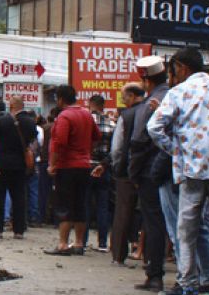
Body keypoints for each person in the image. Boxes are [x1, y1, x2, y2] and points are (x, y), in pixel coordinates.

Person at [147, 46, 209, 295]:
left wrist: (176, 150)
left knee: (186, 232)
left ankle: (189, 289)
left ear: (183, 69)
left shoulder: (179, 92)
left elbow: (154, 127)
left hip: (191, 171)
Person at [130, 56, 173, 292]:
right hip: (177, 168)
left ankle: (154, 274)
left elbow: (138, 142)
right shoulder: (176, 96)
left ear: (145, 80)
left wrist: (133, 173)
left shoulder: (150, 104)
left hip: (151, 171)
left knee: (154, 222)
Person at [46, 84, 100, 255]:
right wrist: (86, 151)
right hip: (84, 166)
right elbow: (96, 136)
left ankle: (62, 243)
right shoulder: (87, 114)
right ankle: (78, 243)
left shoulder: (64, 116)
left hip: (67, 166)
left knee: (64, 205)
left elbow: (60, 142)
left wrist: (53, 164)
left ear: (60, 99)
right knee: (80, 204)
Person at [0, 96, 37, 239]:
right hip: (20, 165)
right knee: (19, 198)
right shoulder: (30, 122)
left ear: (11, 106)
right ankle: (19, 231)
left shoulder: (4, 120)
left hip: (1, 164)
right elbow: (32, 140)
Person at [109, 84, 145, 265]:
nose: (123, 101)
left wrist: (116, 166)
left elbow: (117, 147)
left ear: (131, 96)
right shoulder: (152, 110)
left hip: (126, 171)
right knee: (151, 215)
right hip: (150, 170)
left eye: (124, 97)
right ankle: (152, 257)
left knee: (123, 213)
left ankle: (118, 255)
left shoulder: (127, 116)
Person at [87, 94, 117, 252]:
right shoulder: (111, 124)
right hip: (103, 168)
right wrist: (105, 164)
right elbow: (114, 149)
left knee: (84, 203)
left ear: (90, 104)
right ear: (103, 106)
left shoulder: (85, 121)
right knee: (102, 205)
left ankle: (82, 241)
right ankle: (103, 243)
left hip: (86, 166)